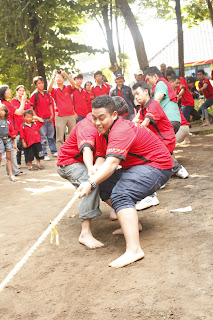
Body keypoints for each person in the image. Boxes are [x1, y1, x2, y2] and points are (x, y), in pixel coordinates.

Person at [76, 95, 174, 268]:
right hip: (138, 166)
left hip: (158, 165)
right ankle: (132, 224)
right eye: (94, 118)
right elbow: (101, 156)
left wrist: (89, 184)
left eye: (102, 118)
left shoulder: (120, 129)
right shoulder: (102, 131)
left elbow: (112, 163)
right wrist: (93, 173)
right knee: (104, 185)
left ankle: (134, 250)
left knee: (122, 193)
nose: (97, 122)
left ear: (114, 115)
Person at [56, 113, 105, 249]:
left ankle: (119, 211)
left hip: (86, 162)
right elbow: (87, 149)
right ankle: (85, 233)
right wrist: (90, 169)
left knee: (107, 177)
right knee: (90, 184)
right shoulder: (87, 126)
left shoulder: (107, 126)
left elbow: (102, 154)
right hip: (68, 163)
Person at [144, 66, 181, 133]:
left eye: (148, 79)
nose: (148, 82)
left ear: (155, 76)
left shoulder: (160, 84)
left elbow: (156, 101)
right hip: (174, 119)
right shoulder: (164, 82)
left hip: (169, 120)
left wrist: (147, 119)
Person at [0, 84, 26, 177]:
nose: (9, 91)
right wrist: (23, 101)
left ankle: (11, 171)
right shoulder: (6, 104)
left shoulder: (3, 103)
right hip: (9, 131)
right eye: (7, 90)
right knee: (12, 152)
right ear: (3, 92)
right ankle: (14, 171)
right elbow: (19, 112)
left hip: (4, 130)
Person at [48, 70, 76, 151]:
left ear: (63, 79)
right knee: (59, 137)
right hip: (60, 116)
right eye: (57, 78)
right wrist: (53, 76)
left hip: (70, 115)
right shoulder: (54, 90)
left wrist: (66, 75)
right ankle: (61, 153)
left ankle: (72, 151)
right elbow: (49, 89)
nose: (59, 79)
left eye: (60, 77)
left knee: (72, 134)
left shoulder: (67, 88)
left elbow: (73, 85)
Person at [30, 76, 57, 160]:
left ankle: (54, 151)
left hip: (49, 117)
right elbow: (31, 108)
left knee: (51, 136)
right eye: (39, 83)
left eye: (42, 83)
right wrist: (37, 118)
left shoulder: (47, 93)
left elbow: (50, 105)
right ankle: (44, 154)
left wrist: (52, 115)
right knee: (42, 137)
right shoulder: (34, 95)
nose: (41, 85)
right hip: (40, 119)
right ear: (35, 85)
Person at [11, 85, 31, 167]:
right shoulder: (13, 101)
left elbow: (29, 112)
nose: (22, 92)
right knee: (19, 145)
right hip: (17, 126)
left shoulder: (27, 102)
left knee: (27, 144)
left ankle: (28, 161)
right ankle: (18, 162)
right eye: (20, 90)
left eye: (23, 90)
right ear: (17, 91)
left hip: (25, 126)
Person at [0, 103, 17, 181]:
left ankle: (11, 174)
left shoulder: (8, 121)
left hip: (8, 140)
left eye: (3, 110)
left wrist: (14, 143)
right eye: (0, 110)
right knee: (0, 158)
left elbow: (12, 131)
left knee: (9, 157)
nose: (1, 112)